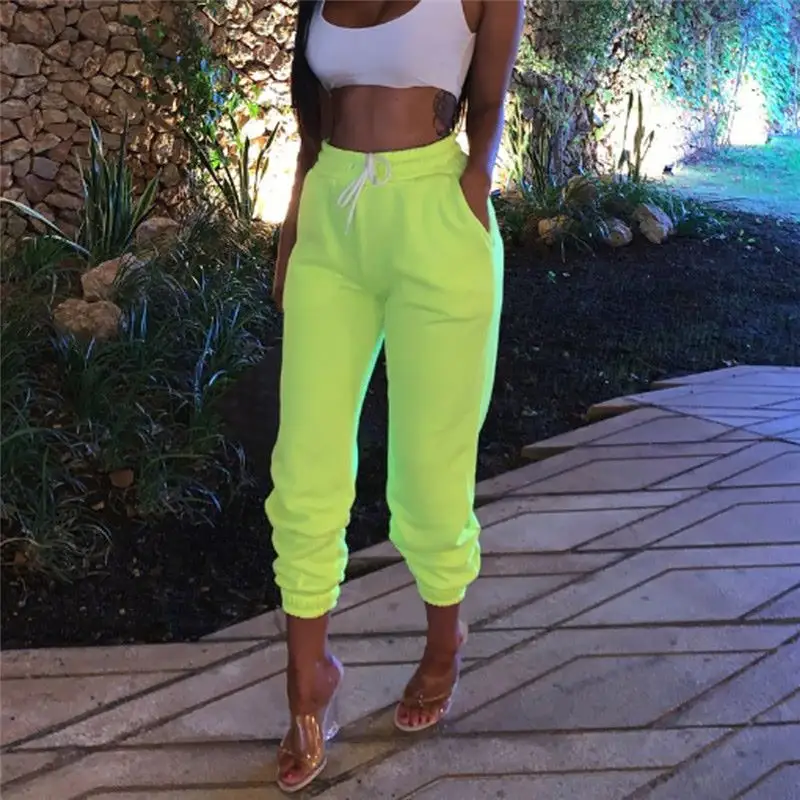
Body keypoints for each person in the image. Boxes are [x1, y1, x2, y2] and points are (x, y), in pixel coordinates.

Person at [267, 0, 523, 792]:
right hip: (332, 222)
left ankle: (445, 641)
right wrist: (291, 230)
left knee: (429, 468)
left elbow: (490, 99)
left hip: (434, 219)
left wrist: (474, 183)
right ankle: (307, 680)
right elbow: (315, 124)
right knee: (304, 461)